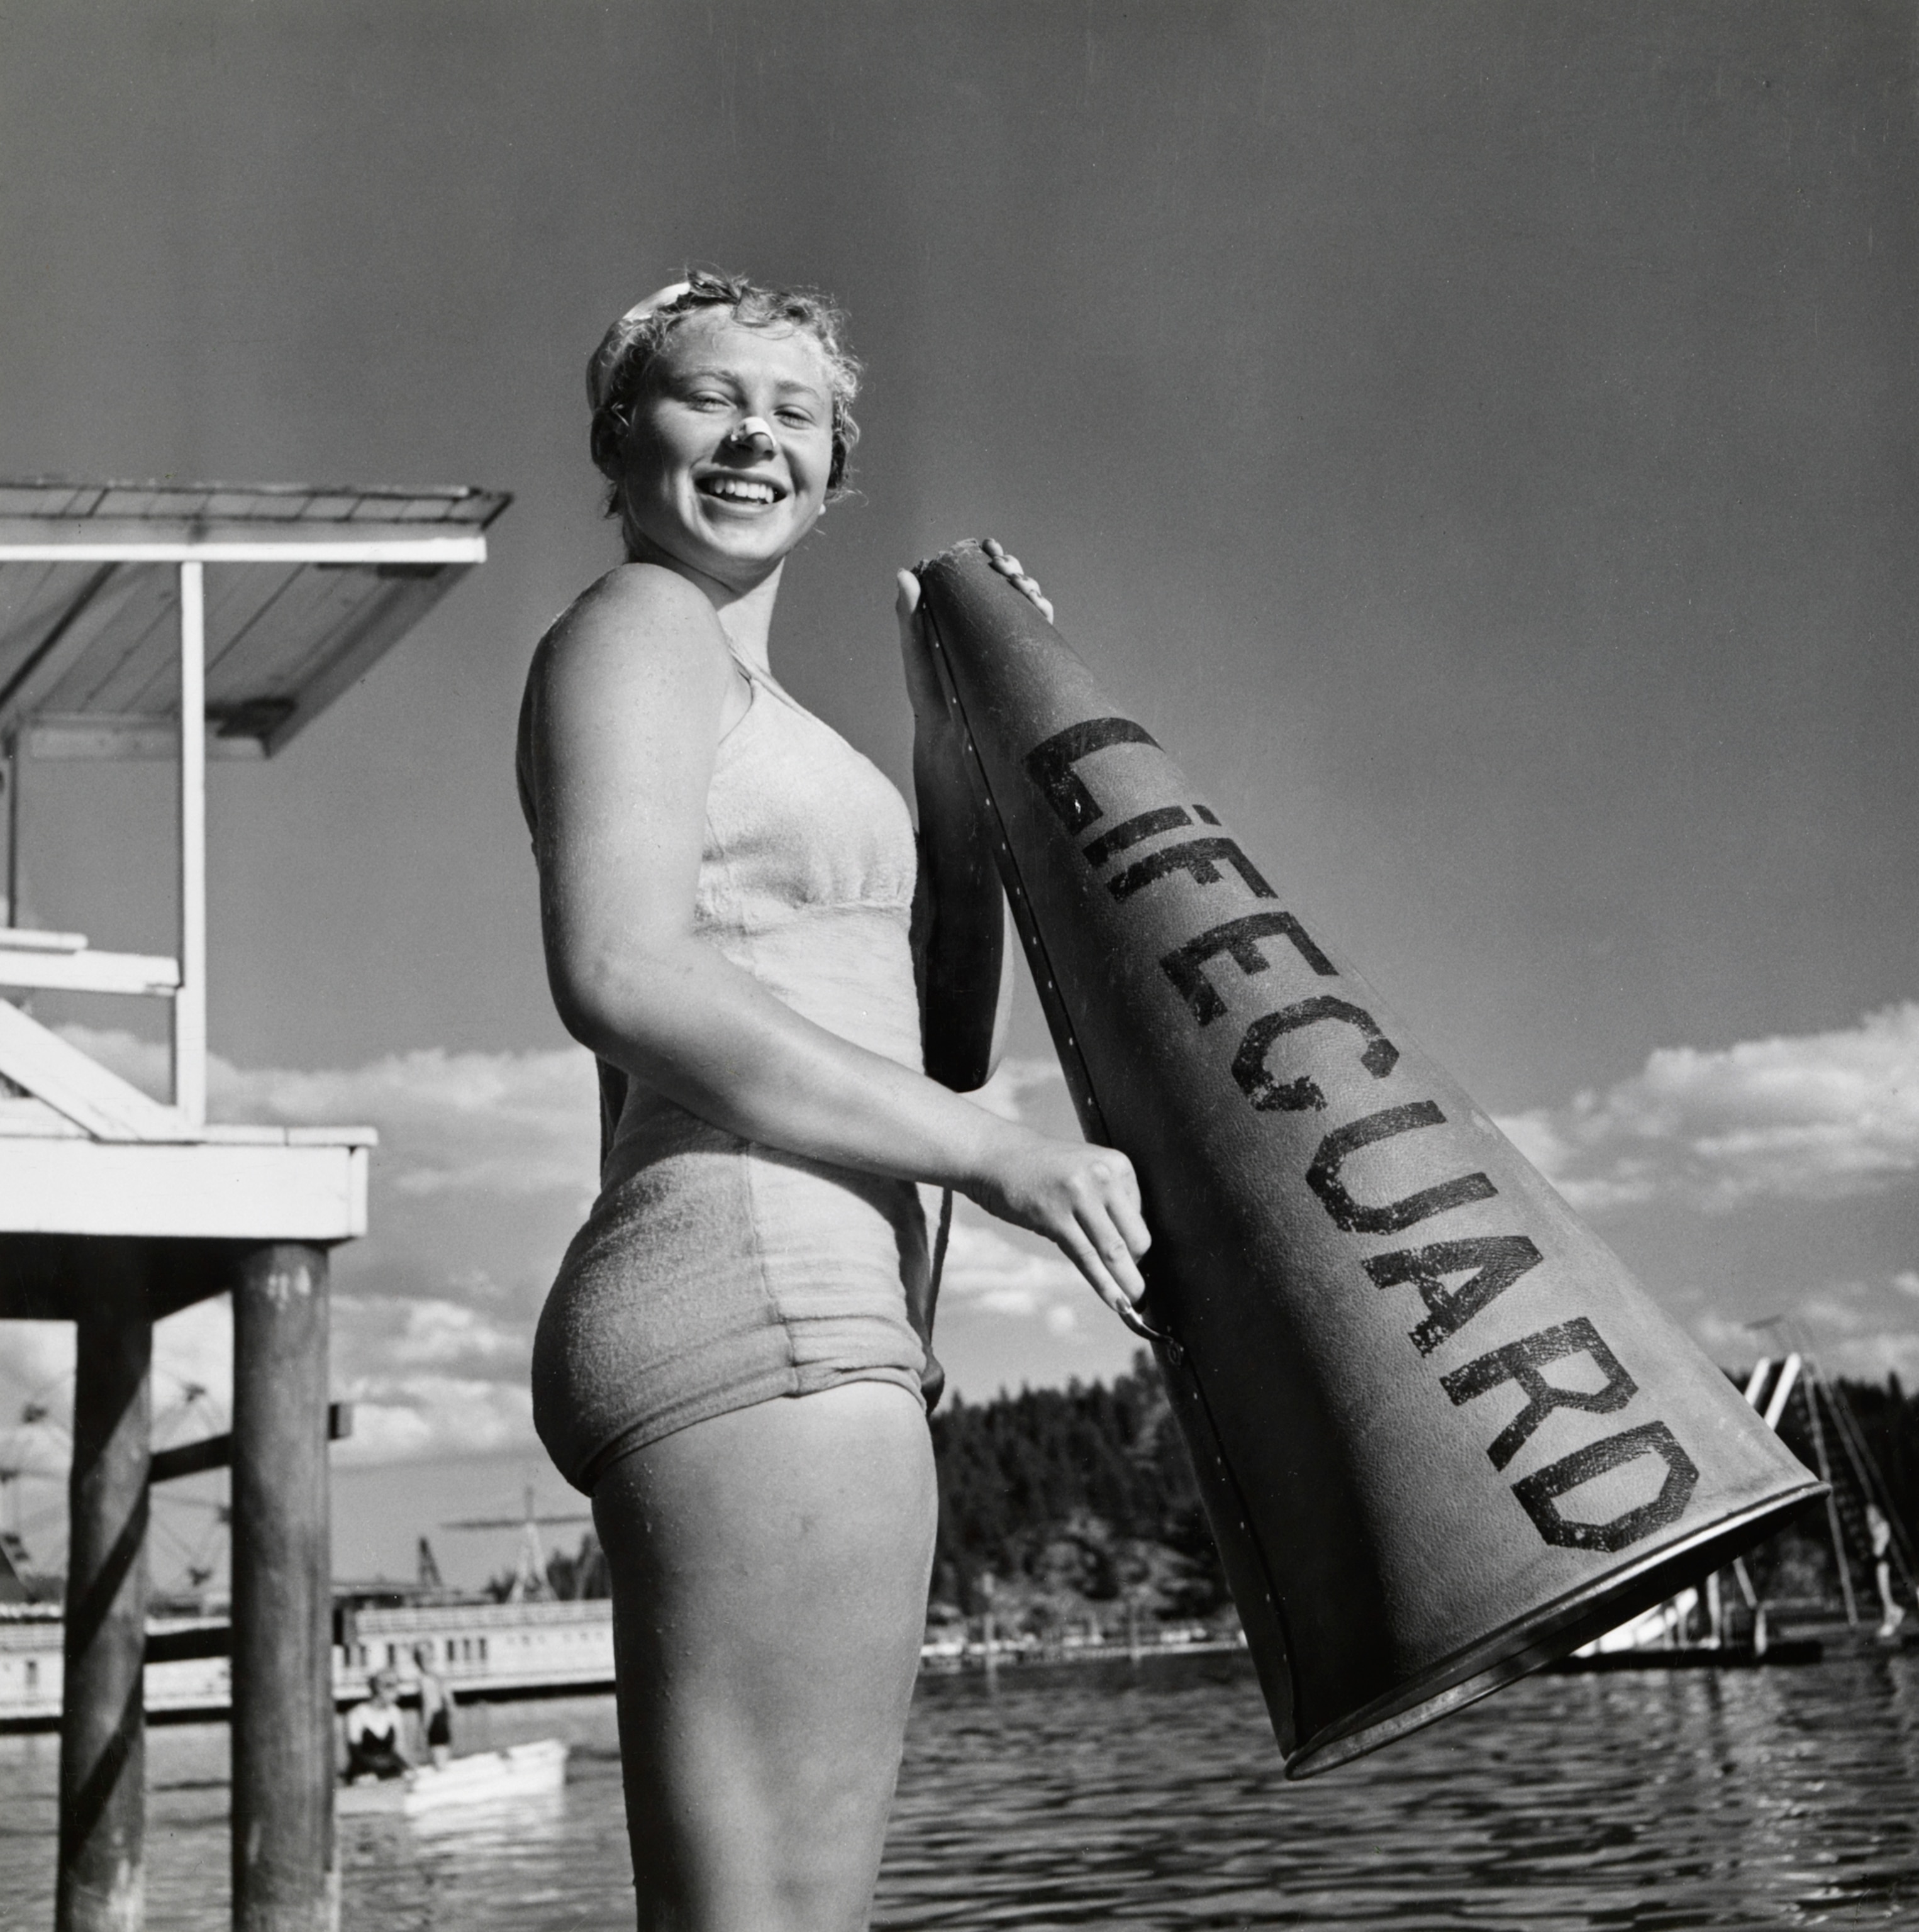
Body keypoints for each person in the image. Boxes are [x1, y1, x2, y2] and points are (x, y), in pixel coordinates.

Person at [516, 269, 1152, 1929]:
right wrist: (1003, 1162)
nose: (756, 437)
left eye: (797, 413)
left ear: (836, 465)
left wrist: (953, 754)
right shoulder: (637, 627)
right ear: (616, 434)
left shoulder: (772, 721)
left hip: (795, 1298)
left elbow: (928, 1038)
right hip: (759, 1284)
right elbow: (624, 970)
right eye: (713, 397)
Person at [342, 1668, 410, 1784]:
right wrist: (369, 1774)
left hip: (390, 1771)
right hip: (364, 1774)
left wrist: (410, 1768)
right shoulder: (357, 1714)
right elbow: (355, 1752)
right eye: (394, 1690)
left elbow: (400, 1748)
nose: (398, 1695)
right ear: (380, 1689)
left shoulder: (395, 1712)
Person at [413, 1642, 454, 1767]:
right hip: (442, 1720)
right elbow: (451, 1705)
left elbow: (428, 1708)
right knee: (443, 1760)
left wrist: (422, 1732)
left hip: (435, 1722)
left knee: (438, 1762)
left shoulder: (424, 1680)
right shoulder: (439, 1677)